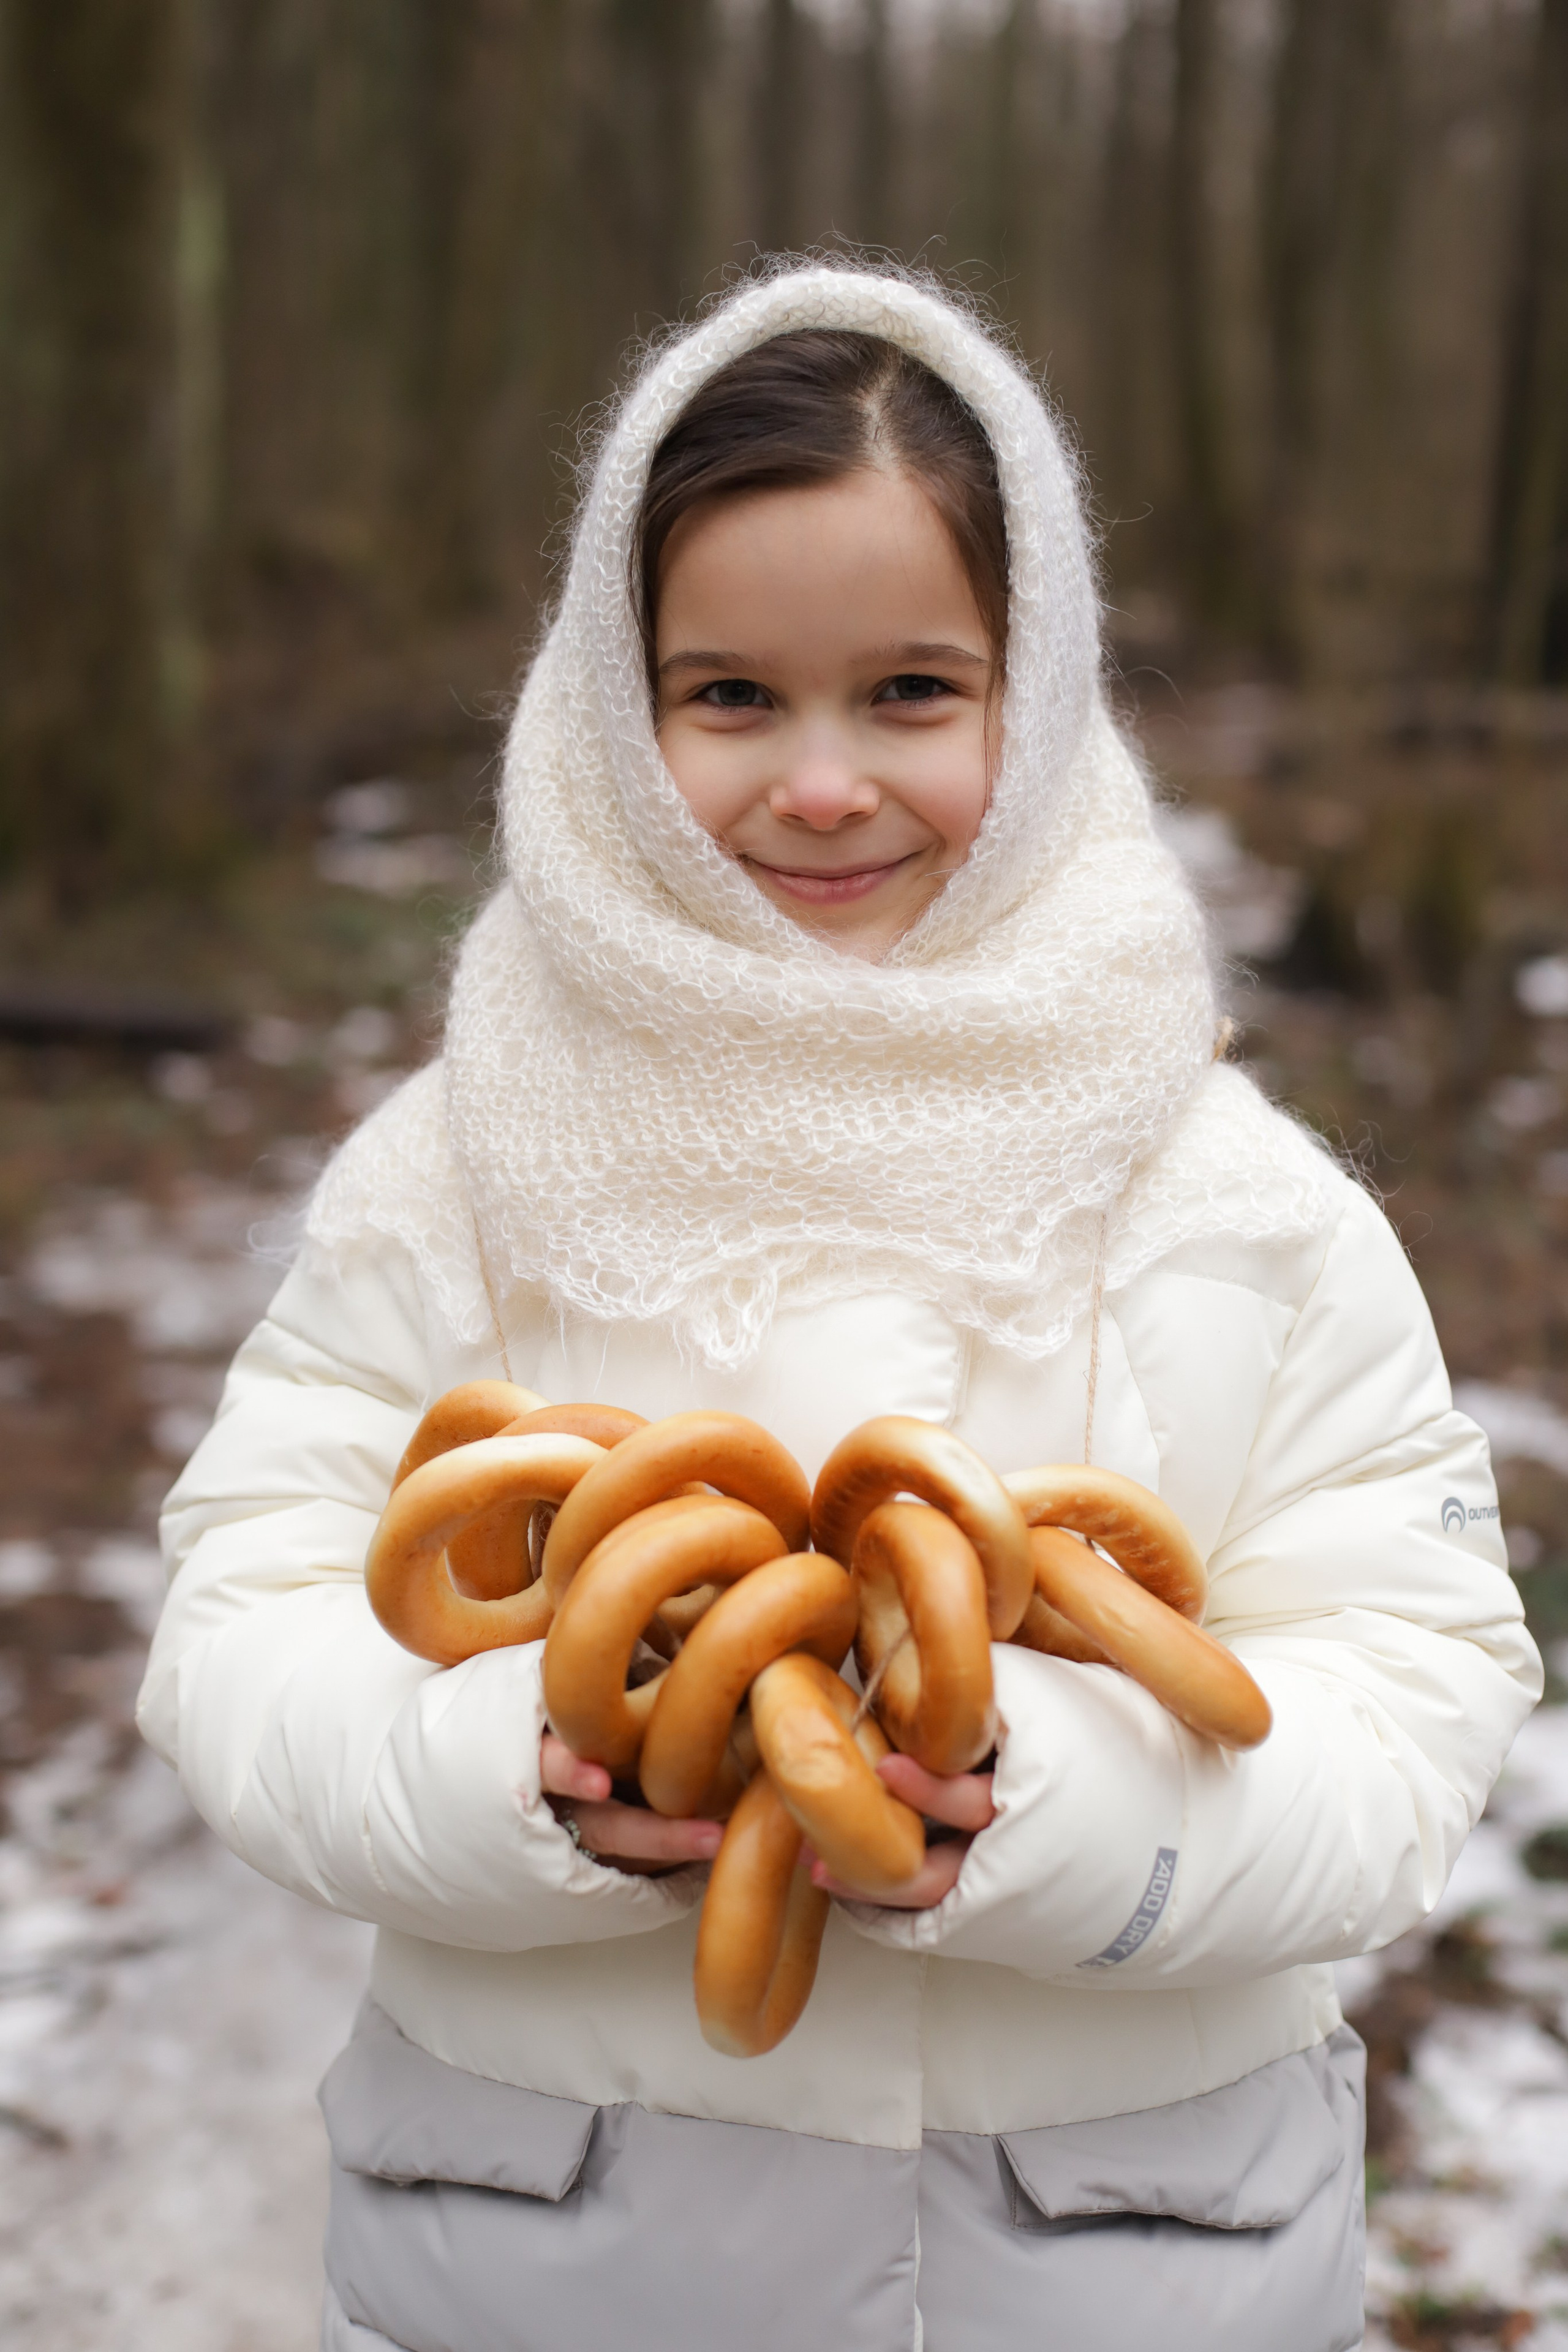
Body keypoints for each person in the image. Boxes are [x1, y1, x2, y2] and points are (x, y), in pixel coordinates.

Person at [137, 264, 1540, 2352]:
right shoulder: (462, 1167)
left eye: (910, 693)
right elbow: (244, 1621)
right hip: (551, 2264)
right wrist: (518, 1768)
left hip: (1118, 2265)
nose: (820, 785)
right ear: (620, 710)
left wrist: (1043, 1812)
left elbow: (1410, 1692)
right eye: (729, 698)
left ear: (1036, 688)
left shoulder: (1237, 1204)